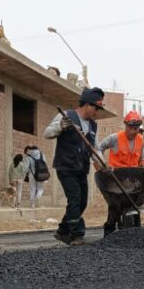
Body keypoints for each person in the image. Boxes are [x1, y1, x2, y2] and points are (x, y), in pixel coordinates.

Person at [43, 87, 105, 245]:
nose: (96, 112)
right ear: (87, 105)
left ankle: (63, 231)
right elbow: (47, 133)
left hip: (81, 168)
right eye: (96, 108)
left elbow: (95, 148)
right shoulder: (67, 116)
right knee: (75, 199)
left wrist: (103, 163)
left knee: (82, 201)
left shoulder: (93, 126)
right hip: (66, 166)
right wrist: (61, 127)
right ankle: (77, 235)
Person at [97, 110, 144, 236]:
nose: (134, 131)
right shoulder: (115, 138)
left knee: (132, 206)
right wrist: (103, 164)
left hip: (131, 180)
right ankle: (109, 233)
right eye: (131, 128)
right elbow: (99, 148)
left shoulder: (140, 140)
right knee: (114, 207)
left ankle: (134, 233)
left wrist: (142, 170)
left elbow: (143, 157)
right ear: (126, 126)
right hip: (115, 179)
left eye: (136, 128)